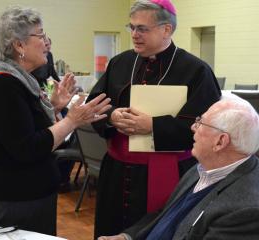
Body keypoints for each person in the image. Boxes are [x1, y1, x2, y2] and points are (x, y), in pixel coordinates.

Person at [0, 6, 111, 235]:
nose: (47, 43)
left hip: (22, 198)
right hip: (11, 202)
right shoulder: (2, 86)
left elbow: (23, 128)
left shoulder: (18, 81)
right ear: (19, 45)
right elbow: (28, 148)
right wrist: (71, 120)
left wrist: (55, 108)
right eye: (41, 35)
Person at [87, 0, 221, 237]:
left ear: (166, 29)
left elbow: (207, 127)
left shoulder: (197, 70)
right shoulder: (119, 63)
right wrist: (112, 116)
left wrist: (152, 126)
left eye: (142, 29)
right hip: (117, 173)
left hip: (171, 173)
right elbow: (93, 106)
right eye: (132, 28)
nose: (135, 35)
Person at [99, 96, 259, 240]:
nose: (193, 127)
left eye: (201, 123)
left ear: (220, 141)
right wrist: (127, 236)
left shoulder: (246, 212)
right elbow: (165, 214)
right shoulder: (203, 169)